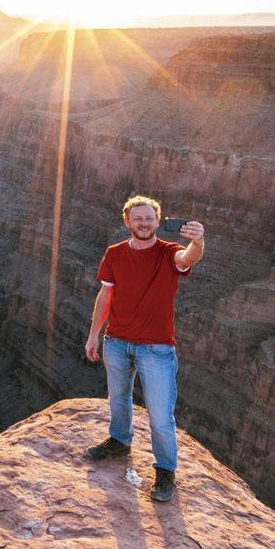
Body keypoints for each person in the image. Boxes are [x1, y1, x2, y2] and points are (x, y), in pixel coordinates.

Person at [82, 195, 204, 502]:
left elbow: (188, 259)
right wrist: (94, 335)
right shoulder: (114, 253)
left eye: (149, 218)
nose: (144, 224)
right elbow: (105, 297)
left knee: (160, 415)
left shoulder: (169, 252)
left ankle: (165, 471)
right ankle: (119, 442)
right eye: (138, 219)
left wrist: (199, 241)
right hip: (117, 342)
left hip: (157, 349)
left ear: (157, 220)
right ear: (127, 221)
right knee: (118, 400)